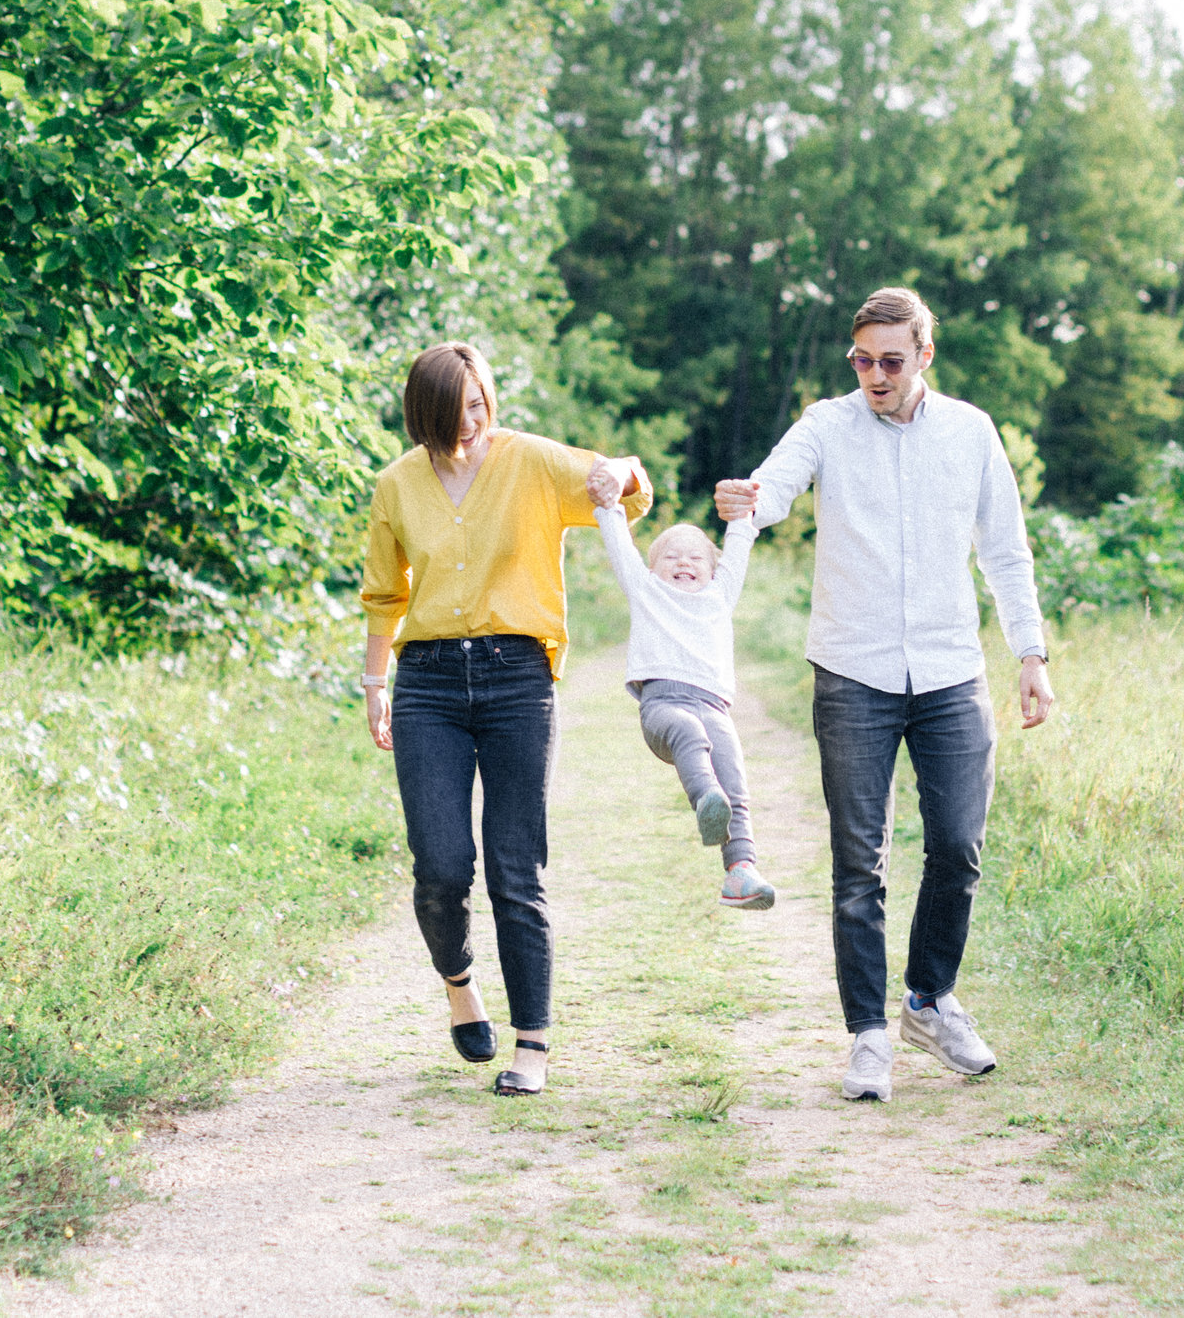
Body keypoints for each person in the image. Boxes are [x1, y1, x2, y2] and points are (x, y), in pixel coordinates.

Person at [715, 286, 1055, 1104]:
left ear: (924, 355)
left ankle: (929, 1002)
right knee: (857, 863)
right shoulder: (828, 424)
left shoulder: (971, 432)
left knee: (958, 847)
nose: (874, 373)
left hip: (950, 671)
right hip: (853, 670)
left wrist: (1031, 653)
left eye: (891, 360)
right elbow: (774, 488)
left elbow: (1005, 551)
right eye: (862, 359)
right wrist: (743, 504)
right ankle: (868, 1034)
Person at [360, 342, 651, 1097]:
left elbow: (622, 484)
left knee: (515, 866)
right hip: (425, 685)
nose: (476, 418)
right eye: (461, 407)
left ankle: (534, 1045)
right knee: (441, 866)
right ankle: (460, 985)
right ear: (428, 411)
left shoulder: (527, 460)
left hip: (517, 677)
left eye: (483, 401)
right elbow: (385, 595)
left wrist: (618, 471)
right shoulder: (396, 484)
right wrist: (374, 682)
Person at [586, 461, 778, 911]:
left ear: (713, 571)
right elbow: (619, 545)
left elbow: (738, 543)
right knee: (691, 734)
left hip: (714, 707)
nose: (684, 562)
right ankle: (706, 801)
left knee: (733, 770)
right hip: (662, 708)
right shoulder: (646, 591)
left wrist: (741, 520)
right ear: (652, 570)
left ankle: (740, 870)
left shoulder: (719, 597)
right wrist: (608, 507)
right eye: (671, 556)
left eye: (695, 557)